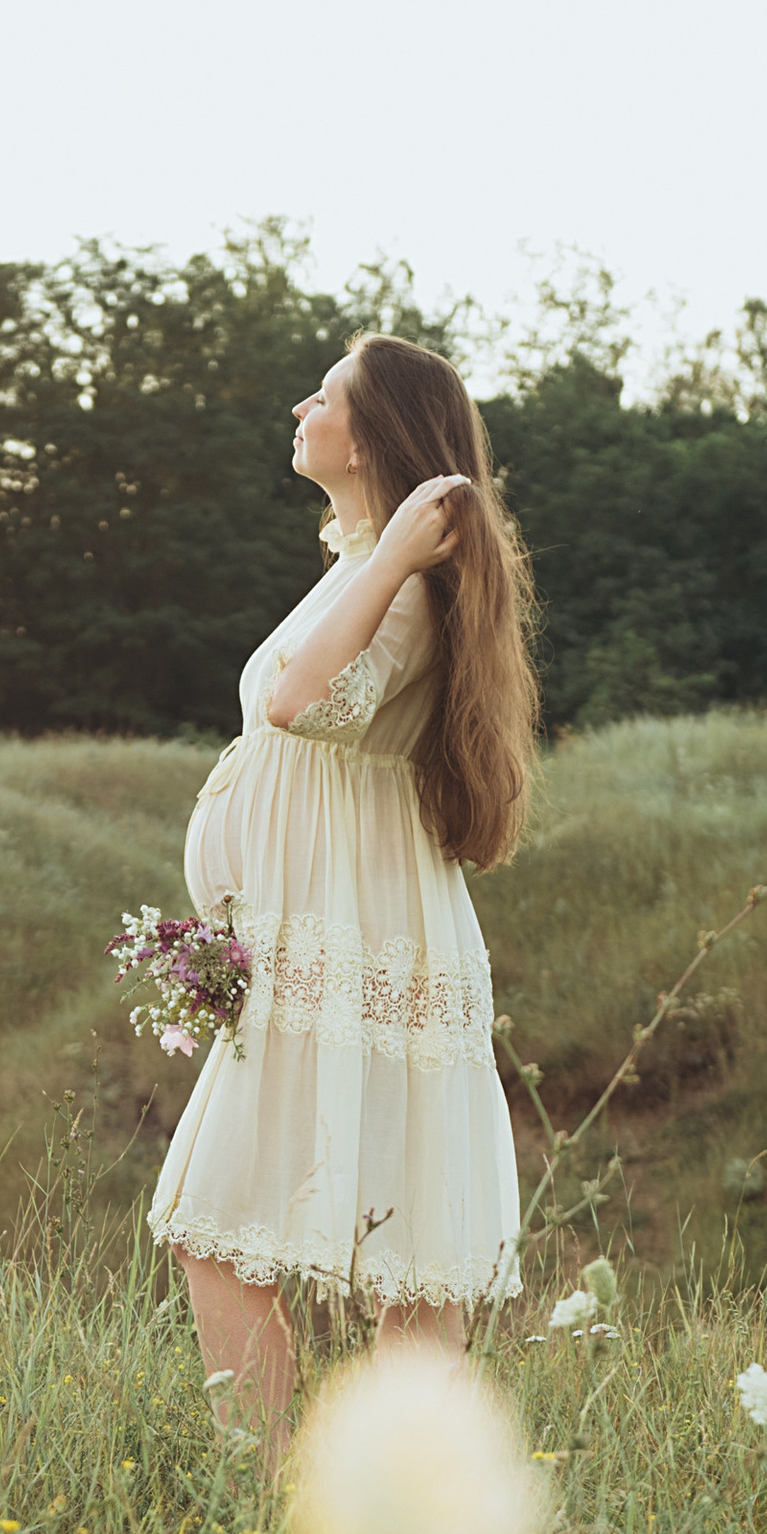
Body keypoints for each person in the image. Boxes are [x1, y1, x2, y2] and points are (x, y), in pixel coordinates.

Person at [147, 330, 539, 1459]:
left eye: (322, 397)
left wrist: (394, 552)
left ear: (368, 438)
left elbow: (297, 704)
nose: (297, 409)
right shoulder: (370, 569)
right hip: (323, 927)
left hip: (351, 932)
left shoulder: (402, 585)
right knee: (378, 1258)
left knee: (299, 1241)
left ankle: (293, 1496)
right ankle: (331, 1507)